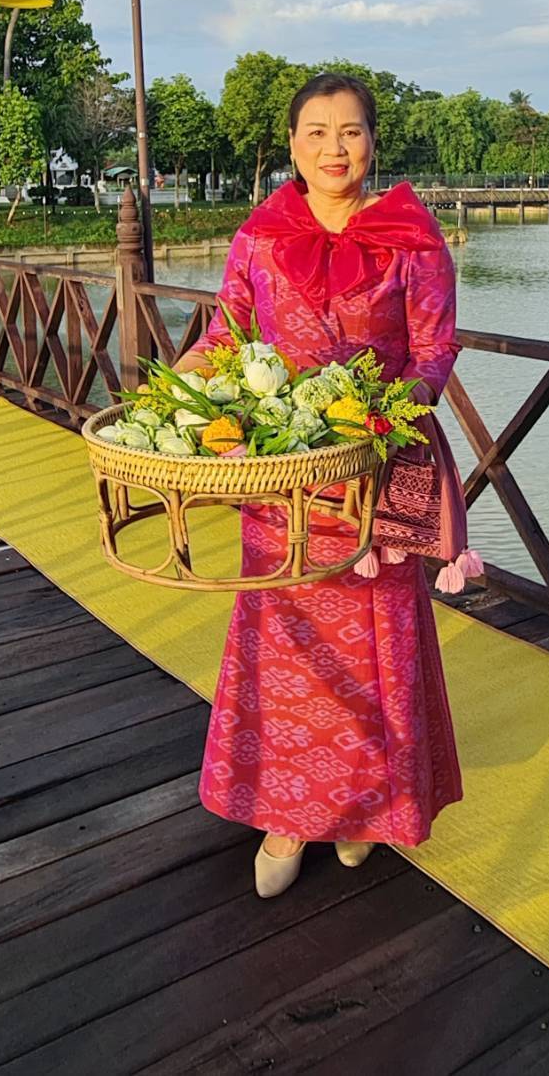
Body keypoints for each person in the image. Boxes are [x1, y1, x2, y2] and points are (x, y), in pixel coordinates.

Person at [176, 73, 467, 899]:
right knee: (289, 645)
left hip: (374, 474)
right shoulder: (259, 238)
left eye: (350, 131)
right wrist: (172, 398)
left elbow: (435, 349)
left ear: (374, 141)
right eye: (316, 131)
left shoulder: (413, 238)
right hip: (281, 477)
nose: (334, 148)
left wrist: (382, 412)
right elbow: (228, 333)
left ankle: (366, 809)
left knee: (377, 652)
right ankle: (285, 812)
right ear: (293, 144)